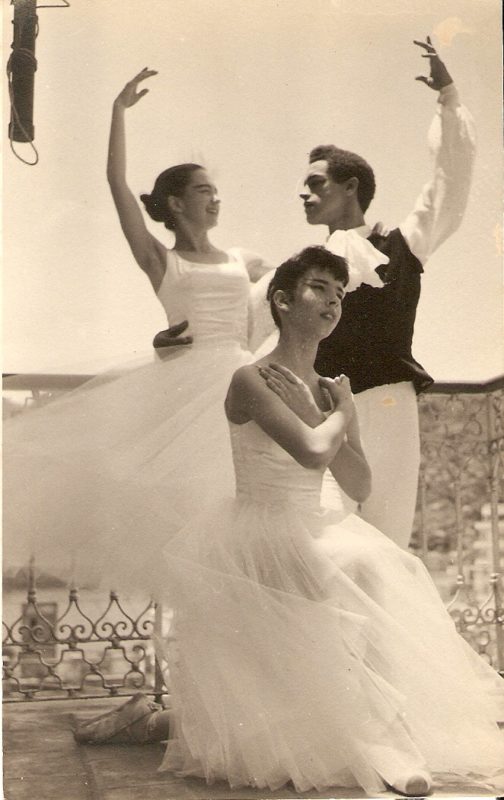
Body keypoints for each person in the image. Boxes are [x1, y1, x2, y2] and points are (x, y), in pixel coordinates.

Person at [75, 247, 504, 796]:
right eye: (319, 288)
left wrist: (333, 410)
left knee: (376, 564)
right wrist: (340, 413)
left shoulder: (328, 386)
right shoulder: (251, 379)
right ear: (281, 300)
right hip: (265, 525)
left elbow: (359, 484)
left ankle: (383, 733)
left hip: (321, 521)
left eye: (340, 294)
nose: (333, 302)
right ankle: (382, 744)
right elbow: (311, 451)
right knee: (358, 567)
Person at [2, 69, 272, 584]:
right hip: (190, 391)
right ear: (176, 203)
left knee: (248, 502)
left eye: (216, 191)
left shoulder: (244, 260)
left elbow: (296, 287)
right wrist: (118, 111)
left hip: (244, 381)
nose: (215, 199)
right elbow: (117, 185)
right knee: (198, 512)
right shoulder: (161, 260)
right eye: (203, 191)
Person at [291, 37, 476, 548]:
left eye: (316, 183)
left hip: (390, 408)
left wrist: (449, 99)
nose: (304, 193)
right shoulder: (302, 268)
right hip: (322, 411)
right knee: (323, 544)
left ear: (351, 186)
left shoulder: (403, 243)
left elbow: (450, 185)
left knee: (386, 542)